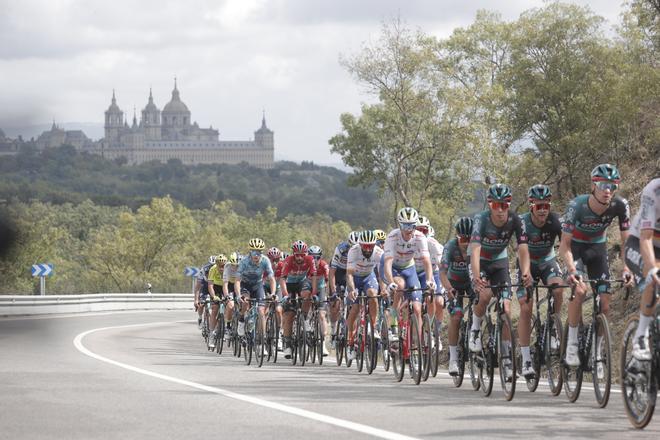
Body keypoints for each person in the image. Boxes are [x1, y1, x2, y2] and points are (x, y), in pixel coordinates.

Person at [559, 164, 633, 367]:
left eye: (612, 185)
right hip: (575, 250)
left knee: (606, 304)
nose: (607, 190)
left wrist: (627, 268)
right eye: (602, 185)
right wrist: (572, 270)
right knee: (580, 291)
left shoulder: (621, 205)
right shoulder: (577, 205)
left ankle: (597, 350)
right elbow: (564, 244)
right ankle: (572, 344)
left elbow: (627, 241)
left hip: (597, 250)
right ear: (593, 185)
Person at [469, 183, 532, 382]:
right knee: (485, 295)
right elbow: (476, 248)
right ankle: (475, 329)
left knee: (506, 309)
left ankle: (506, 361)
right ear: (489, 205)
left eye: (504, 205)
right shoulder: (481, 219)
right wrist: (477, 276)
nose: (500, 210)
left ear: (508, 204)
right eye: (495, 205)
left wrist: (526, 272)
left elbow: (522, 248)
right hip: (481, 262)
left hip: (500, 263)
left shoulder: (516, 219)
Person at [515, 185, 563, 378]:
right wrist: (526, 274)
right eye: (538, 206)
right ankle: (526, 358)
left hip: (547, 260)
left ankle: (553, 328)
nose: (543, 209)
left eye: (546, 205)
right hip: (527, 263)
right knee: (526, 309)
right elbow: (522, 250)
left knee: (559, 289)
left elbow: (566, 244)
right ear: (531, 206)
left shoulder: (556, 220)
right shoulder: (522, 222)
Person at [381, 207, 436, 346]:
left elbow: (426, 261)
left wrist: (429, 280)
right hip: (392, 268)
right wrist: (390, 282)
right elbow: (387, 262)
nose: (408, 229)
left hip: (408, 268)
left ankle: (419, 344)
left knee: (417, 308)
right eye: (405, 225)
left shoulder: (419, 237)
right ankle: (393, 327)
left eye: (411, 225)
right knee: (400, 286)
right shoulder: (392, 237)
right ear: (400, 225)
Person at [624, 177, 659, 361]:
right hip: (639, 244)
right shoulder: (654, 190)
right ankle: (641, 335)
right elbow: (645, 238)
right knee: (652, 279)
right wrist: (653, 269)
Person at [440, 217, 473, 375]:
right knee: (456, 316)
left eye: (470, 238)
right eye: (463, 238)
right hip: (453, 283)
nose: (467, 242)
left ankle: (475, 332)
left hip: (471, 282)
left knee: (482, 303)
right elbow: (442, 273)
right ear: (457, 236)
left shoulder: (477, 247)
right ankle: (453, 359)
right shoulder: (450, 247)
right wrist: (448, 288)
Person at [346, 230, 384, 360]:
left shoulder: (379, 252)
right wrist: (351, 289)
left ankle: (373, 327)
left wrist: (384, 289)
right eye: (365, 246)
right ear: (360, 244)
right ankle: (350, 341)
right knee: (355, 309)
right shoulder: (353, 251)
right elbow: (349, 274)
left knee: (373, 295)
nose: (368, 249)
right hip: (355, 279)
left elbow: (382, 274)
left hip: (368, 276)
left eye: (370, 246)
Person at [280, 240, 317, 359]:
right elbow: (282, 279)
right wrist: (285, 295)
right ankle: (287, 344)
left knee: (308, 295)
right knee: (289, 315)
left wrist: (315, 292)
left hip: (301, 283)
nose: (300, 257)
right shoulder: (288, 260)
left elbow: (314, 276)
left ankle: (305, 319)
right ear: (293, 254)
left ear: (306, 254)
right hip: (289, 285)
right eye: (297, 255)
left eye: (302, 255)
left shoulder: (310, 259)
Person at [234, 239, 276, 340]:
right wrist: (239, 295)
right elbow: (237, 281)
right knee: (245, 303)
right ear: (250, 252)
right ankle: (241, 321)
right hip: (245, 285)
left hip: (258, 285)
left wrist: (273, 293)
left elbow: (272, 279)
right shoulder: (244, 262)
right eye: (254, 252)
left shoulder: (265, 261)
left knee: (261, 311)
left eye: (259, 252)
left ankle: (262, 338)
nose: (256, 255)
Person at [415, 216, 446, 351]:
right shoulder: (410, 243)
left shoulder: (434, 245)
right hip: (415, 274)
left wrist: (447, 286)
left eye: (424, 230)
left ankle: (434, 332)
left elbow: (443, 267)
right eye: (418, 230)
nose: (422, 233)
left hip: (433, 273)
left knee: (438, 302)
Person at [328, 231, 359, 346]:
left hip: (352, 274)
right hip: (339, 273)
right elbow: (331, 273)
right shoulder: (341, 249)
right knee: (335, 304)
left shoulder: (361, 251)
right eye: (351, 247)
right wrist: (334, 292)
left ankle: (351, 337)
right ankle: (333, 331)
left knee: (354, 307)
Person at [309, 245, 330, 357]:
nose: (315, 260)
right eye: (312, 257)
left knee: (322, 315)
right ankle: (306, 324)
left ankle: (323, 344)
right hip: (309, 288)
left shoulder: (324, 265)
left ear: (320, 257)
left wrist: (328, 294)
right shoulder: (306, 266)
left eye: (317, 257)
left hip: (321, 288)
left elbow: (328, 280)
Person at [207, 254, 228, 348]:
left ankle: (225, 328)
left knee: (230, 306)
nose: (222, 268)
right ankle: (211, 334)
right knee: (215, 309)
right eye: (220, 265)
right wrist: (213, 296)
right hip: (216, 287)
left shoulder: (228, 269)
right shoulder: (213, 269)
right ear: (216, 264)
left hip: (226, 287)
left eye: (223, 265)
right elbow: (210, 285)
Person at [194, 256, 216, 329]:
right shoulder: (203, 270)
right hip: (205, 287)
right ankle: (200, 318)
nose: (212, 268)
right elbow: (197, 287)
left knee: (216, 305)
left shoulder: (219, 269)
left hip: (214, 286)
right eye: (210, 266)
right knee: (201, 304)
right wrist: (196, 300)